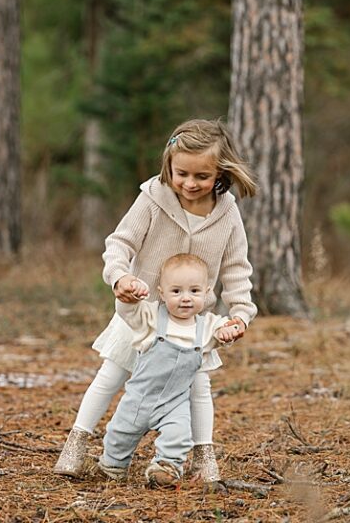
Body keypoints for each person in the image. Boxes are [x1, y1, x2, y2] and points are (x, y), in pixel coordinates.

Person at [54, 120, 257, 486]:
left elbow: (236, 269)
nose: (190, 183)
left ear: (220, 173)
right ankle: (77, 442)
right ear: (169, 166)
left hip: (190, 319)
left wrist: (240, 315)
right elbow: (121, 243)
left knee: (198, 387)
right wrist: (121, 278)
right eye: (182, 173)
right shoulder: (153, 198)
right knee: (111, 374)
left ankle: (203, 456)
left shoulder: (227, 213)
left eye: (202, 176)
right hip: (142, 311)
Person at [85, 253, 244, 484]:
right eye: (176, 291)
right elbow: (127, 312)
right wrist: (129, 296)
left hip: (174, 403)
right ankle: (112, 466)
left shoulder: (207, 326)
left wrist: (228, 332)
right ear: (162, 293)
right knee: (119, 434)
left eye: (194, 291)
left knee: (179, 435)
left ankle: (166, 468)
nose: (186, 298)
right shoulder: (151, 317)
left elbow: (224, 331)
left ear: (207, 292)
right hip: (138, 399)